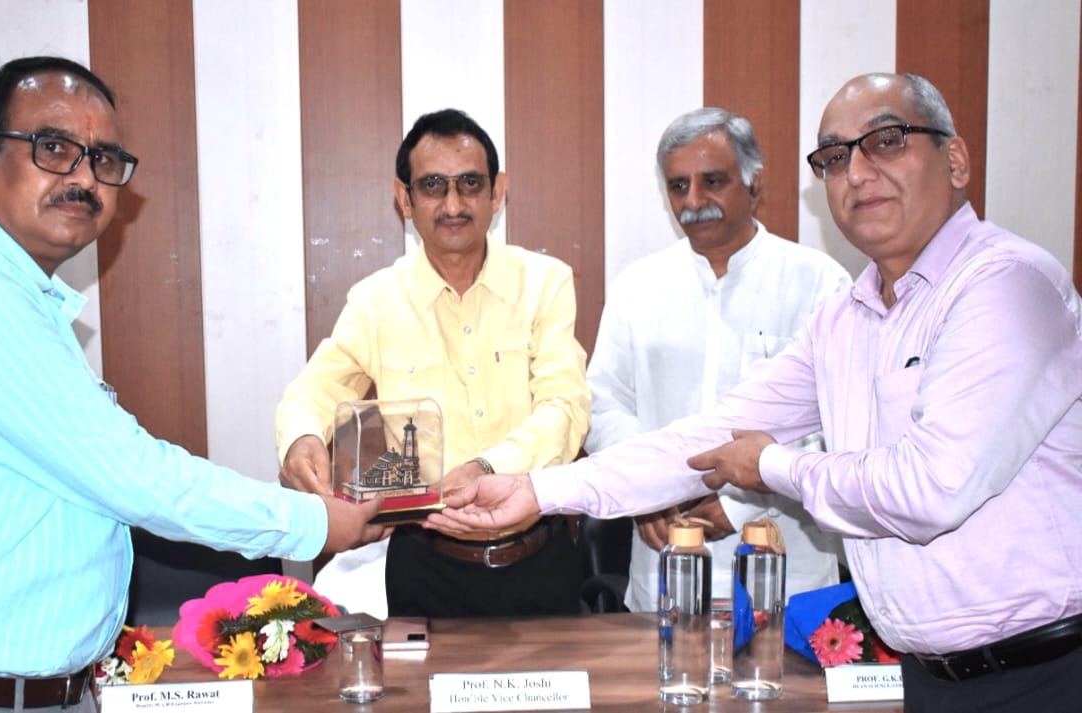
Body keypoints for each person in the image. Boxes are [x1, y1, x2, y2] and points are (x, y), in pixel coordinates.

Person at [430, 73, 1082, 712]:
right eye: (834, 157)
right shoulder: (846, 318)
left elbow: (931, 488)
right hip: (933, 677)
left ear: (955, 159)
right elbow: (711, 435)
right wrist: (537, 490)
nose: (857, 173)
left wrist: (768, 466)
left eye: (886, 141)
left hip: (1042, 671)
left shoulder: (1003, 284)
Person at [0, 56, 384, 713]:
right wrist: (314, 522)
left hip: (25, 694)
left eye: (104, 159)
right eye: (54, 148)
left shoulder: (16, 297)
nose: (85, 178)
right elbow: (127, 471)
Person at [275, 108, 590, 618]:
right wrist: (300, 438)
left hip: (539, 557)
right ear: (404, 198)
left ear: (497, 192)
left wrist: (488, 468)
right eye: (432, 186)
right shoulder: (376, 301)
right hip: (425, 566)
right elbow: (313, 391)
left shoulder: (544, 283)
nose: (453, 204)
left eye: (470, 184)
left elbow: (565, 408)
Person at [586, 107, 849, 610]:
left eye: (712, 181)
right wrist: (650, 486)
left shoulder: (818, 282)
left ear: (754, 184)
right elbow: (602, 402)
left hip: (785, 571)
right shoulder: (638, 286)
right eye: (678, 186)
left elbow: (838, 420)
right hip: (663, 567)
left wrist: (740, 501)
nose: (693, 201)